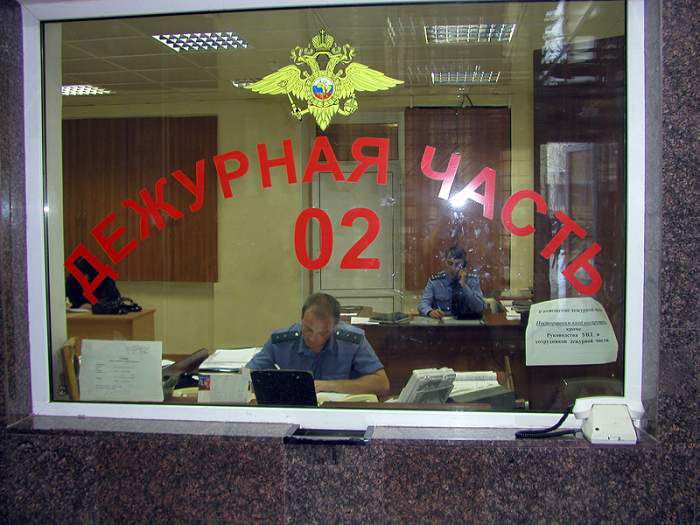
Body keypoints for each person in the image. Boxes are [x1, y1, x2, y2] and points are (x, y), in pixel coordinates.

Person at [246, 293, 390, 396]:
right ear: (301, 320)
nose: (313, 338)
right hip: (293, 412)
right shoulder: (281, 342)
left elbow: (382, 384)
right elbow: (247, 376)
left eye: (323, 333)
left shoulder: (351, 341)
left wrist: (328, 386)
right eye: (308, 329)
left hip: (338, 415)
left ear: (336, 326)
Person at [418, 246, 485, 319]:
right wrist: (430, 312)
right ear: (445, 263)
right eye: (450, 263)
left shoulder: (471, 280)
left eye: (457, 264)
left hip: (467, 323)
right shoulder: (435, 281)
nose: (453, 268)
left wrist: (464, 286)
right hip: (443, 322)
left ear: (464, 265)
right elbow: (423, 304)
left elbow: (480, 308)